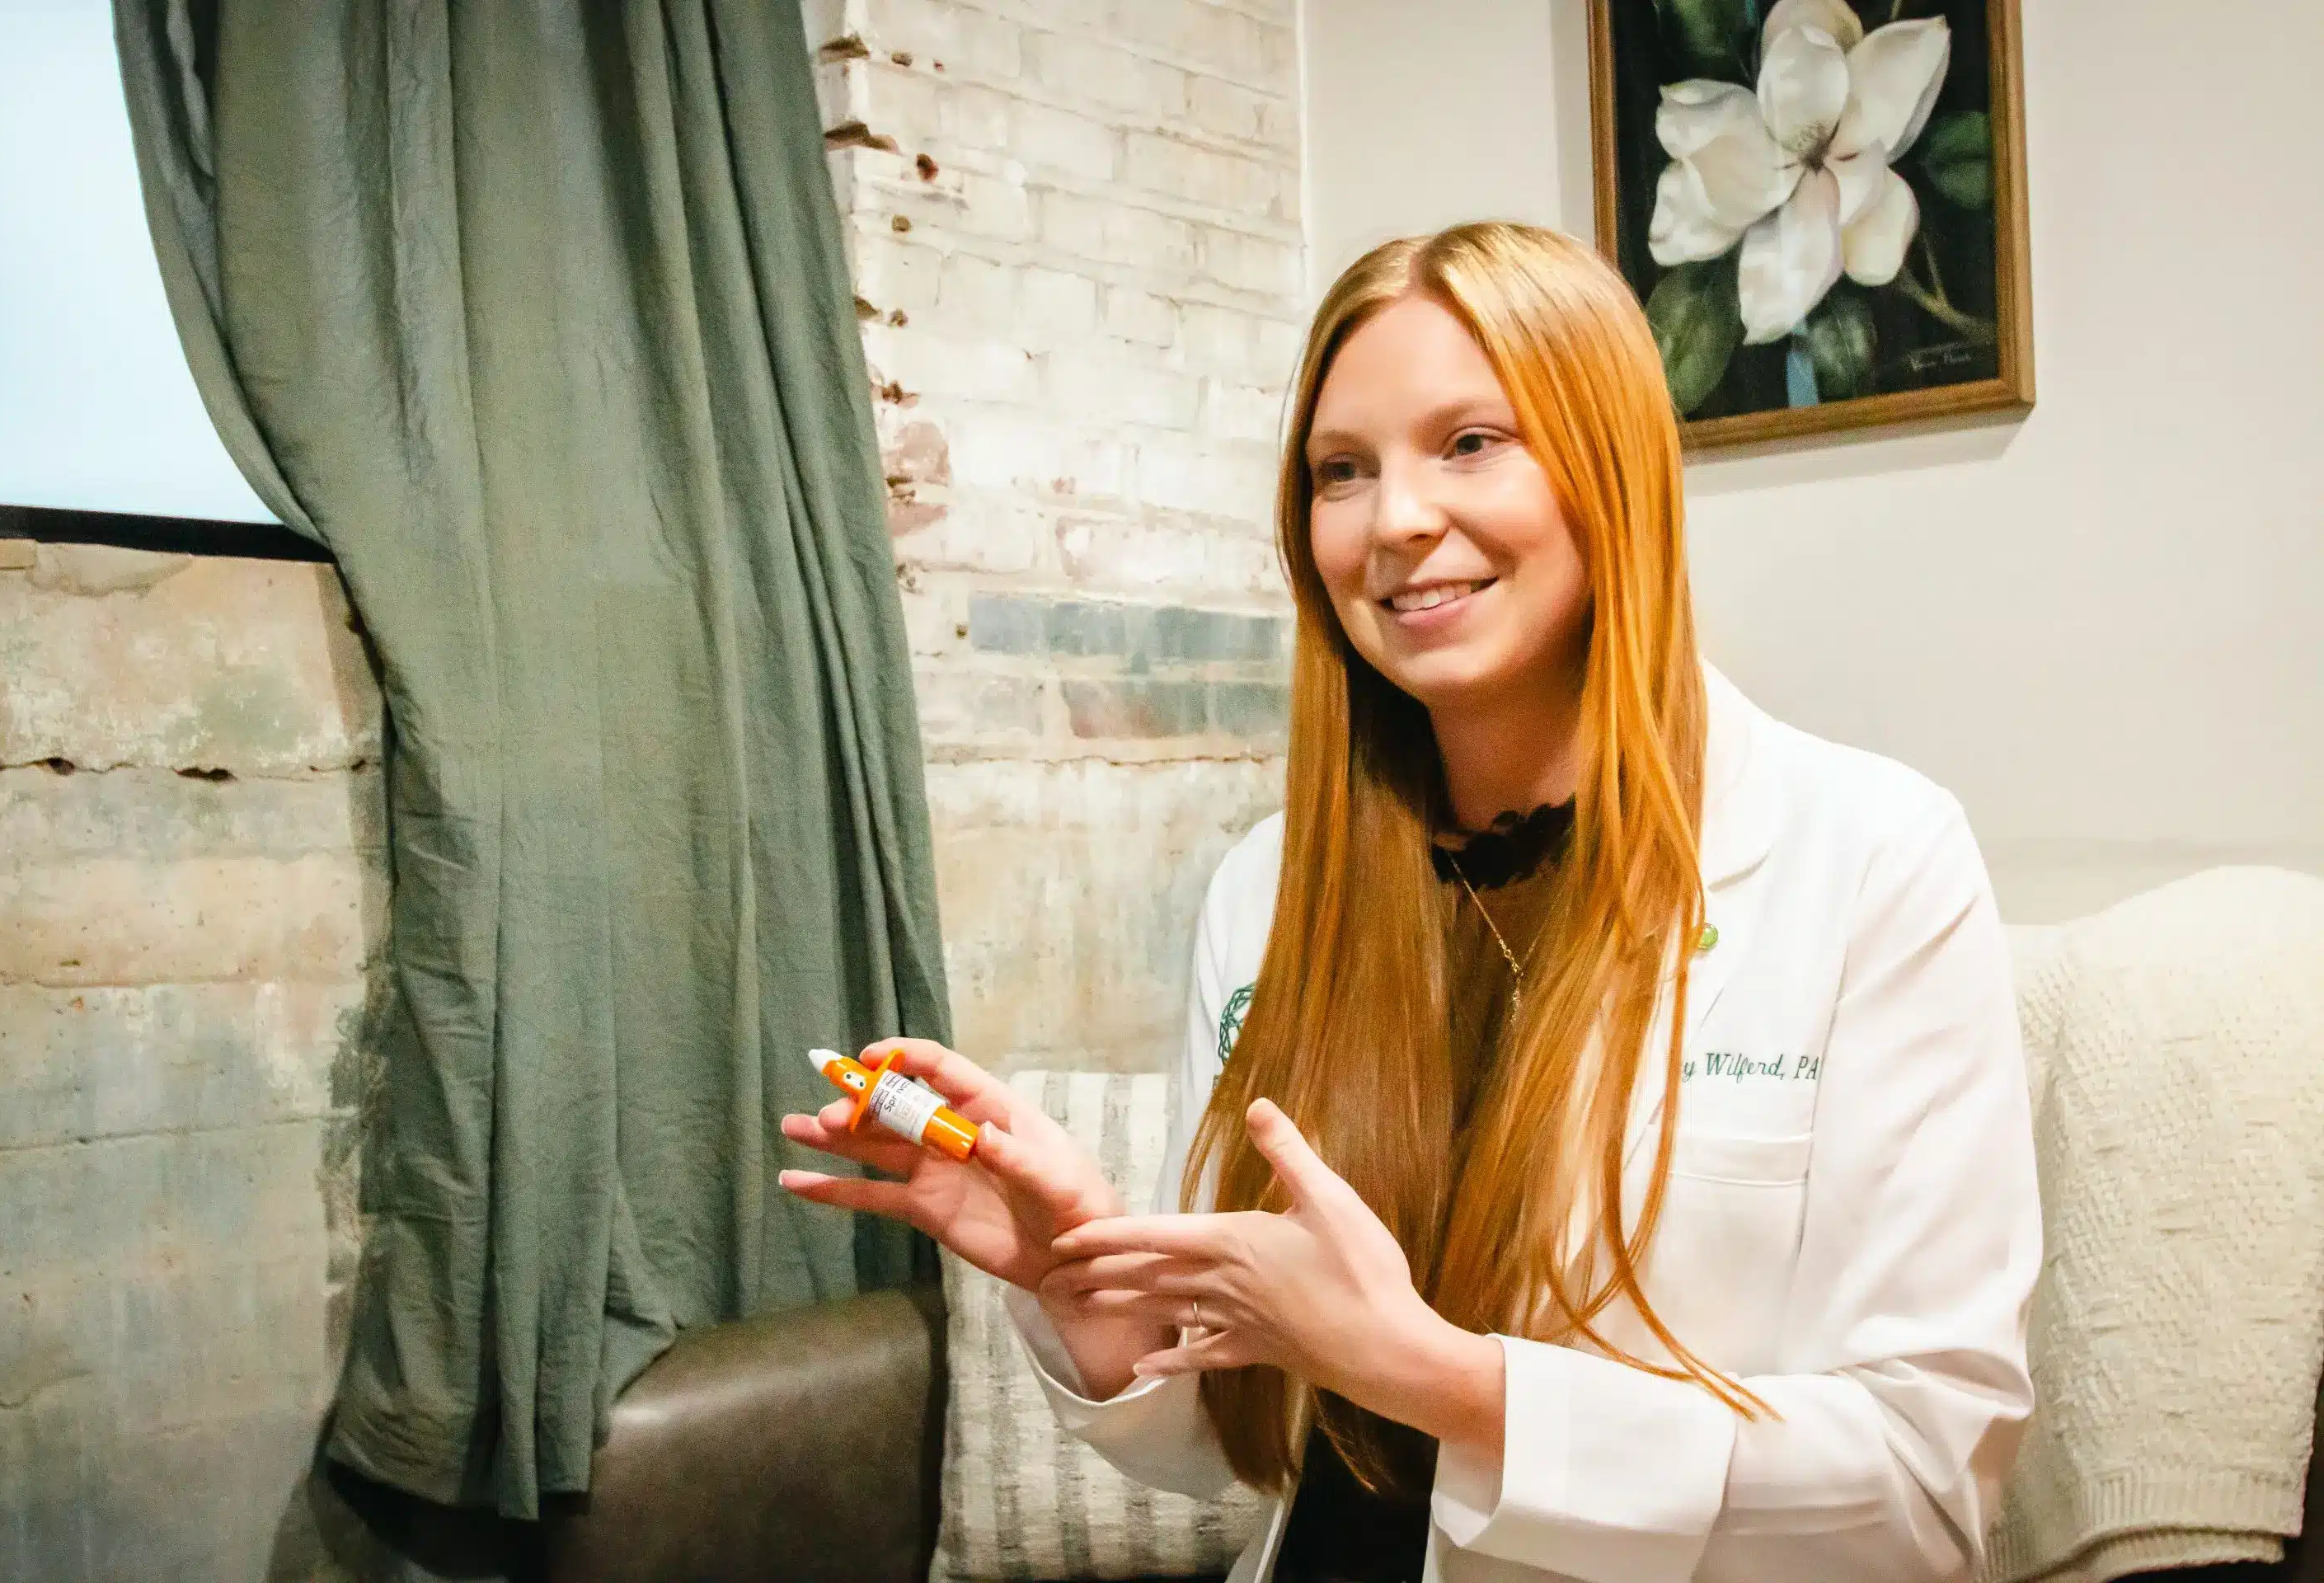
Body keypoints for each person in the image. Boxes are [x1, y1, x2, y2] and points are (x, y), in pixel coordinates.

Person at [779, 221, 2040, 1583]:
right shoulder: (1270, 888)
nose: (1395, 521)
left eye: (1470, 443)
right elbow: (1244, 1452)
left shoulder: (1874, 859)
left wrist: (1441, 1379)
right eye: (1341, 471)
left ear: (1609, 467)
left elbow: (1922, 1486)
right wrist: (1086, 1274)